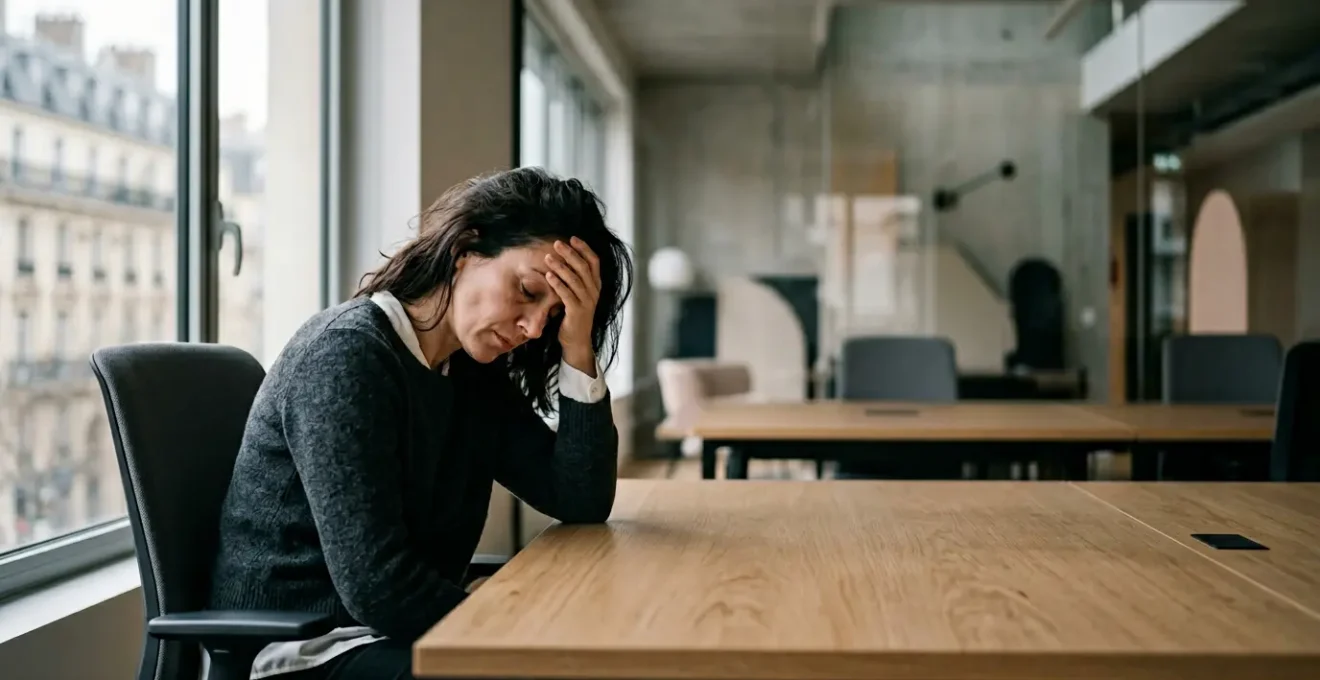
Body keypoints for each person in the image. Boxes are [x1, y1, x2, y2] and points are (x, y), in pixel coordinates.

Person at [206, 167, 633, 680]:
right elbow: (376, 586)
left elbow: (579, 499)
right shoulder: (348, 356)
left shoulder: (471, 374)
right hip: (307, 650)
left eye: (557, 312)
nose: (535, 326)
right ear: (466, 249)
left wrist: (578, 345)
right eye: (525, 290)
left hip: (392, 635)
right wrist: (513, 623)